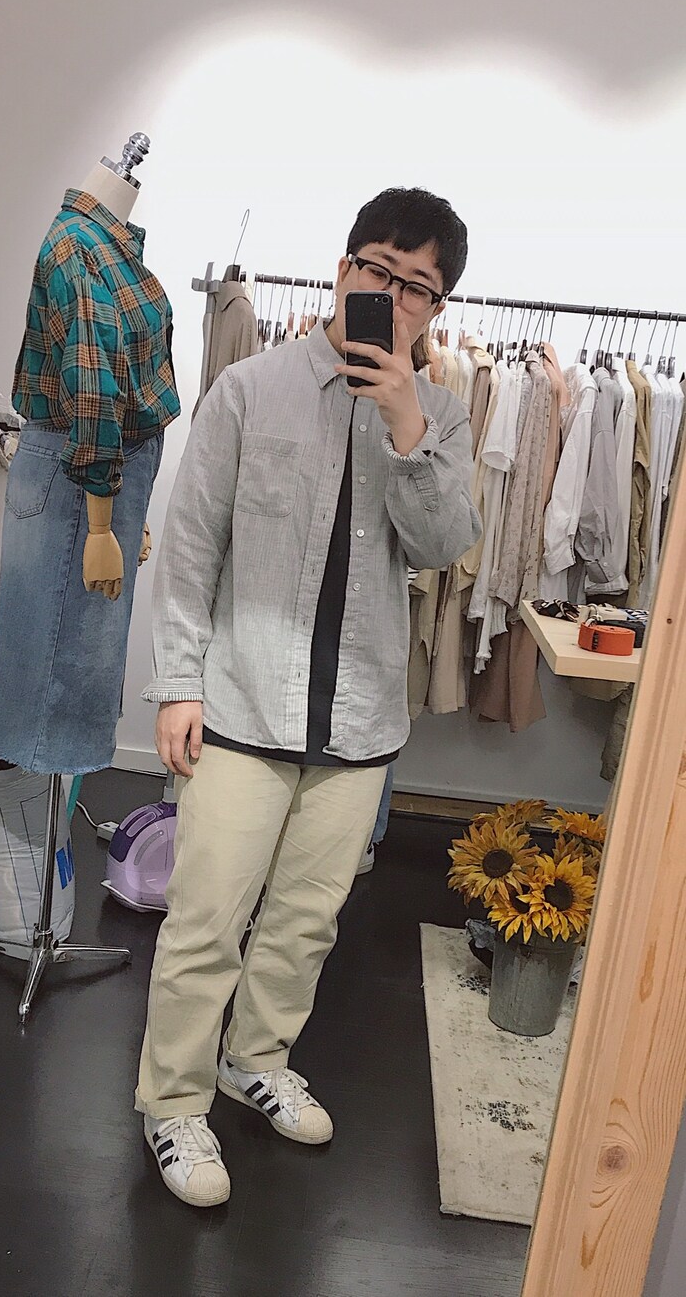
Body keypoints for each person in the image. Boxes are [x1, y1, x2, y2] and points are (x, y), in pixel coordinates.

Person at [137, 188, 481, 1207]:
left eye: (417, 286)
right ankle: (172, 1101)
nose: (392, 295)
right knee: (206, 918)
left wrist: (406, 422)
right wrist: (176, 684)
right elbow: (190, 547)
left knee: (303, 921)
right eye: (378, 269)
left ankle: (255, 1059)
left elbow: (443, 546)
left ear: (438, 306)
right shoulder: (248, 388)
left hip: (359, 716)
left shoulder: (442, 414)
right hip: (241, 704)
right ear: (343, 269)